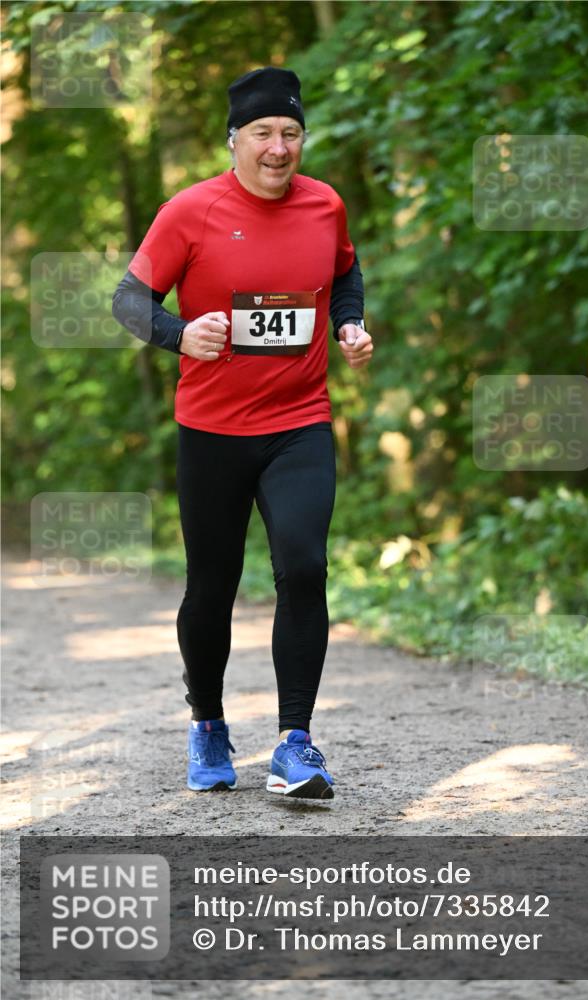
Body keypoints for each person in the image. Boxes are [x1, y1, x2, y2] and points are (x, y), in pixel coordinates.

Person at [112, 67, 373, 801]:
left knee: (303, 564)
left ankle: (294, 743)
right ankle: (208, 722)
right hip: (212, 432)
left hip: (299, 424)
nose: (278, 147)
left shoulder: (324, 205)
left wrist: (347, 323)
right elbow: (129, 300)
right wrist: (177, 333)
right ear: (234, 141)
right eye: (262, 133)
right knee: (212, 586)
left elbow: (346, 275)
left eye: (290, 133)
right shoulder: (189, 211)